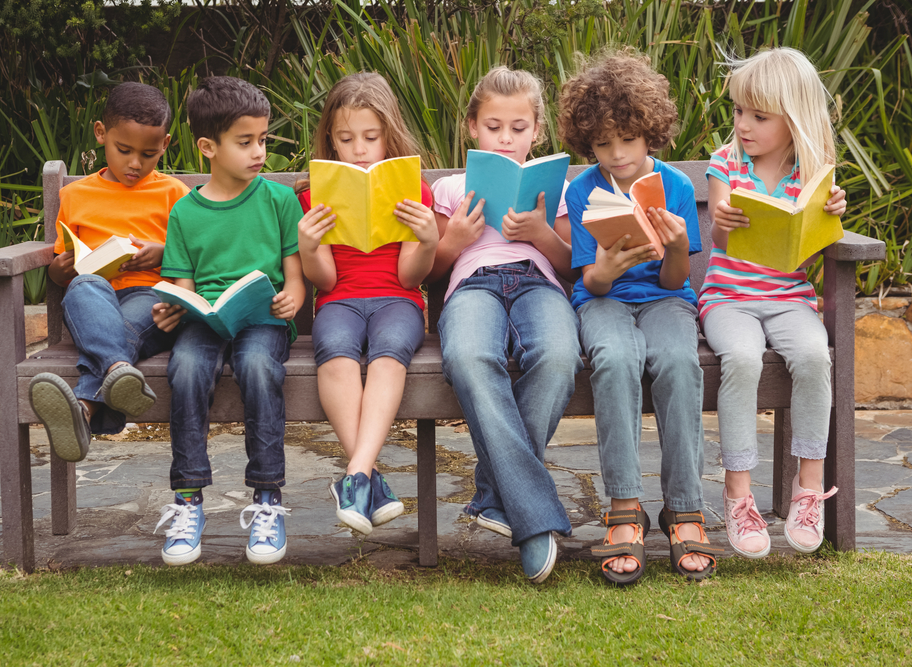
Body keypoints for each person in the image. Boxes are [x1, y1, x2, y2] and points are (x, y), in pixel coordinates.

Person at [558, 50, 722, 585]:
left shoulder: (673, 186)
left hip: (665, 299)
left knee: (677, 359)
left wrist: (675, 248)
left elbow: (677, 282)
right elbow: (591, 283)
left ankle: (684, 507)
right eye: (602, 145)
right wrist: (605, 266)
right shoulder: (584, 190)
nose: (616, 155)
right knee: (615, 357)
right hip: (602, 301)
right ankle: (624, 506)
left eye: (626, 141)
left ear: (649, 134)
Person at [430, 66, 582, 584]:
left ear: (536, 130)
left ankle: (497, 496)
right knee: (470, 358)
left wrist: (540, 233)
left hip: (537, 284)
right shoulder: (450, 188)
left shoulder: (551, 186)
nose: (505, 138)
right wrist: (454, 239)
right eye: (494, 126)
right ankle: (534, 515)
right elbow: (430, 270)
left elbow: (568, 265)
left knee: (560, 357)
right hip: (474, 286)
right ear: (472, 126)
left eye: (518, 128)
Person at [151, 77, 306, 566]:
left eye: (263, 139)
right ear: (207, 148)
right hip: (207, 322)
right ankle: (189, 498)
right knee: (187, 369)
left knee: (259, 366)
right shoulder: (185, 212)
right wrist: (175, 307)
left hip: (262, 319)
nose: (259, 151)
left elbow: (296, 278)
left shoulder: (278, 201)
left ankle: (266, 498)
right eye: (245, 142)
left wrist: (293, 299)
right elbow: (183, 286)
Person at [699, 47, 847, 558]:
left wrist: (832, 212)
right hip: (729, 299)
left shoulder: (811, 169)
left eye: (759, 116)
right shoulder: (727, 163)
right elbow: (719, 235)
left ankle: (808, 489)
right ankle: (739, 494)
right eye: (739, 111)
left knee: (812, 356)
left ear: (793, 119)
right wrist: (722, 221)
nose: (743, 124)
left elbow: (821, 236)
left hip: (788, 299)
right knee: (740, 358)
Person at [294, 73, 439, 535]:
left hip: (398, 298)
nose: (359, 148)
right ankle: (367, 479)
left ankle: (356, 475)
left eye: (371, 137)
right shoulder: (312, 195)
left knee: (389, 352)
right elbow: (326, 280)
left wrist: (429, 239)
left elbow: (408, 277)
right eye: (346, 138)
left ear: (388, 135)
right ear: (330, 141)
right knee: (333, 350)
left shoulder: (413, 190)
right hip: (339, 297)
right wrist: (309, 245)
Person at [29, 82, 188, 464]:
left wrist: (163, 255)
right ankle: (118, 373)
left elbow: (196, 259)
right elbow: (60, 269)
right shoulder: (77, 195)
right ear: (101, 133)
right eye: (124, 150)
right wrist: (58, 268)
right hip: (93, 301)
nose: (135, 163)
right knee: (84, 284)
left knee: (127, 327)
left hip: (150, 299)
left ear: (165, 144)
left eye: (149, 154)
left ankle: (84, 408)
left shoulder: (174, 194)